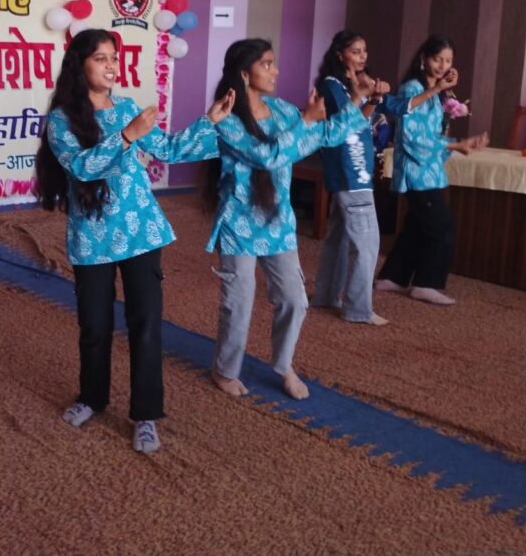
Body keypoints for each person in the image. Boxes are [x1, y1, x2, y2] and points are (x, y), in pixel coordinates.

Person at [35, 29, 235, 454]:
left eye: (114, 58)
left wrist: (209, 121)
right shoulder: (61, 121)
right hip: (92, 237)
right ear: (79, 65)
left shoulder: (126, 107)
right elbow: (83, 167)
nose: (111, 66)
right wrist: (126, 136)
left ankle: (146, 414)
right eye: (100, 58)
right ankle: (92, 397)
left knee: (145, 324)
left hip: (142, 232)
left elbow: (170, 149)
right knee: (95, 325)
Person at [205, 38, 371, 400]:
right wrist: (306, 121)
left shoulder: (281, 110)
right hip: (239, 224)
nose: (275, 71)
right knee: (238, 303)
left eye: (273, 63)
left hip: (278, 221)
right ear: (244, 73)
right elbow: (266, 157)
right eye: (267, 64)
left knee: (295, 300)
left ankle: (283, 365)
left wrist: (358, 100)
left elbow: (323, 136)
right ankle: (225, 370)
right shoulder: (226, 118)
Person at [310, 29, 441, 326]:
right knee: (367, 243)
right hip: (350, 171)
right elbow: (348, 122)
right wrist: (369, 97)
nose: (362, 56)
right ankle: (358, 309)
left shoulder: (360, 82)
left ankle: (326, 296)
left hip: (354, 172)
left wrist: (435, 89)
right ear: (340, 54)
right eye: (355, 51)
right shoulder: (332, 85)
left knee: (339, 239)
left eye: (364, 51)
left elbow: (399, 107)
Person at [374, 35, 488, 306]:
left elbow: (432, 134)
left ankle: (393, 277)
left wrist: (461, 143)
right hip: (416, 171)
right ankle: (426, 283)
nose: (442, 65)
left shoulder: (435, 90)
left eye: (448, 61)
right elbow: (412, 136)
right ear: (424, 58)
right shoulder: (413, 88)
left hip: (429, 170)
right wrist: (456, 145)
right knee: (441, 224)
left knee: (417, 223)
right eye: (438, 59)